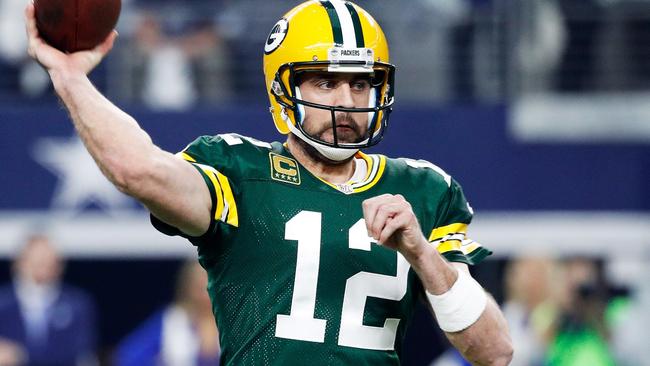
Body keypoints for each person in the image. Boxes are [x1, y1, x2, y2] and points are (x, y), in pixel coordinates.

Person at [24, 0, 513, 364]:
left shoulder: (424, 190)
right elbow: (138, 169)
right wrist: (69, 77)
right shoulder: (239, 170)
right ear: (285, 87)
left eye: (360, 83)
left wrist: (422, 254)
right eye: (325, 81)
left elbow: (495, 352)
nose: (347, 99)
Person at [0, 234, 97, 366]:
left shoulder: (77, 304)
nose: (42, 269)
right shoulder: (3, 302)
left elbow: (79, 351)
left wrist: (20, 355)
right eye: (36, 262)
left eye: (48, 263)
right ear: (18, 263)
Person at [114, 261, 220, 366]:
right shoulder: (171, 321)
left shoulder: (234, 323)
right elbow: (126, 357)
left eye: (209, 282)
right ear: (187, 287)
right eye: (199, 285)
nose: (205, 292)